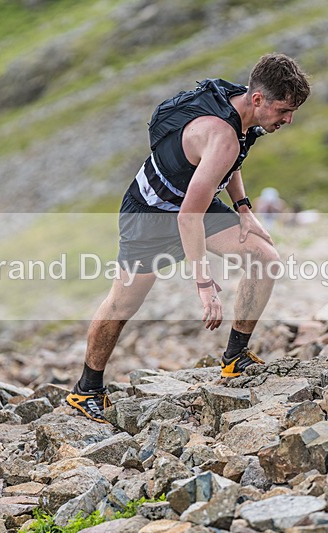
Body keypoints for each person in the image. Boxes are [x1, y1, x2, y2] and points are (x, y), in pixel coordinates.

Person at [66, 53, 310, 422]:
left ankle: (235, 359)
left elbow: (232, 160)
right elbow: (188, 216)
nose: (288, 120)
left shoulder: (242, 109)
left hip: (192, 201)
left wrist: (243, 209)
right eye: (284, 111)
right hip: (149, 215)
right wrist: (204, 284)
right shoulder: (221, 133)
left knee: (264, 258)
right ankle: (86, 390)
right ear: (258, 99)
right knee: (123, 304)